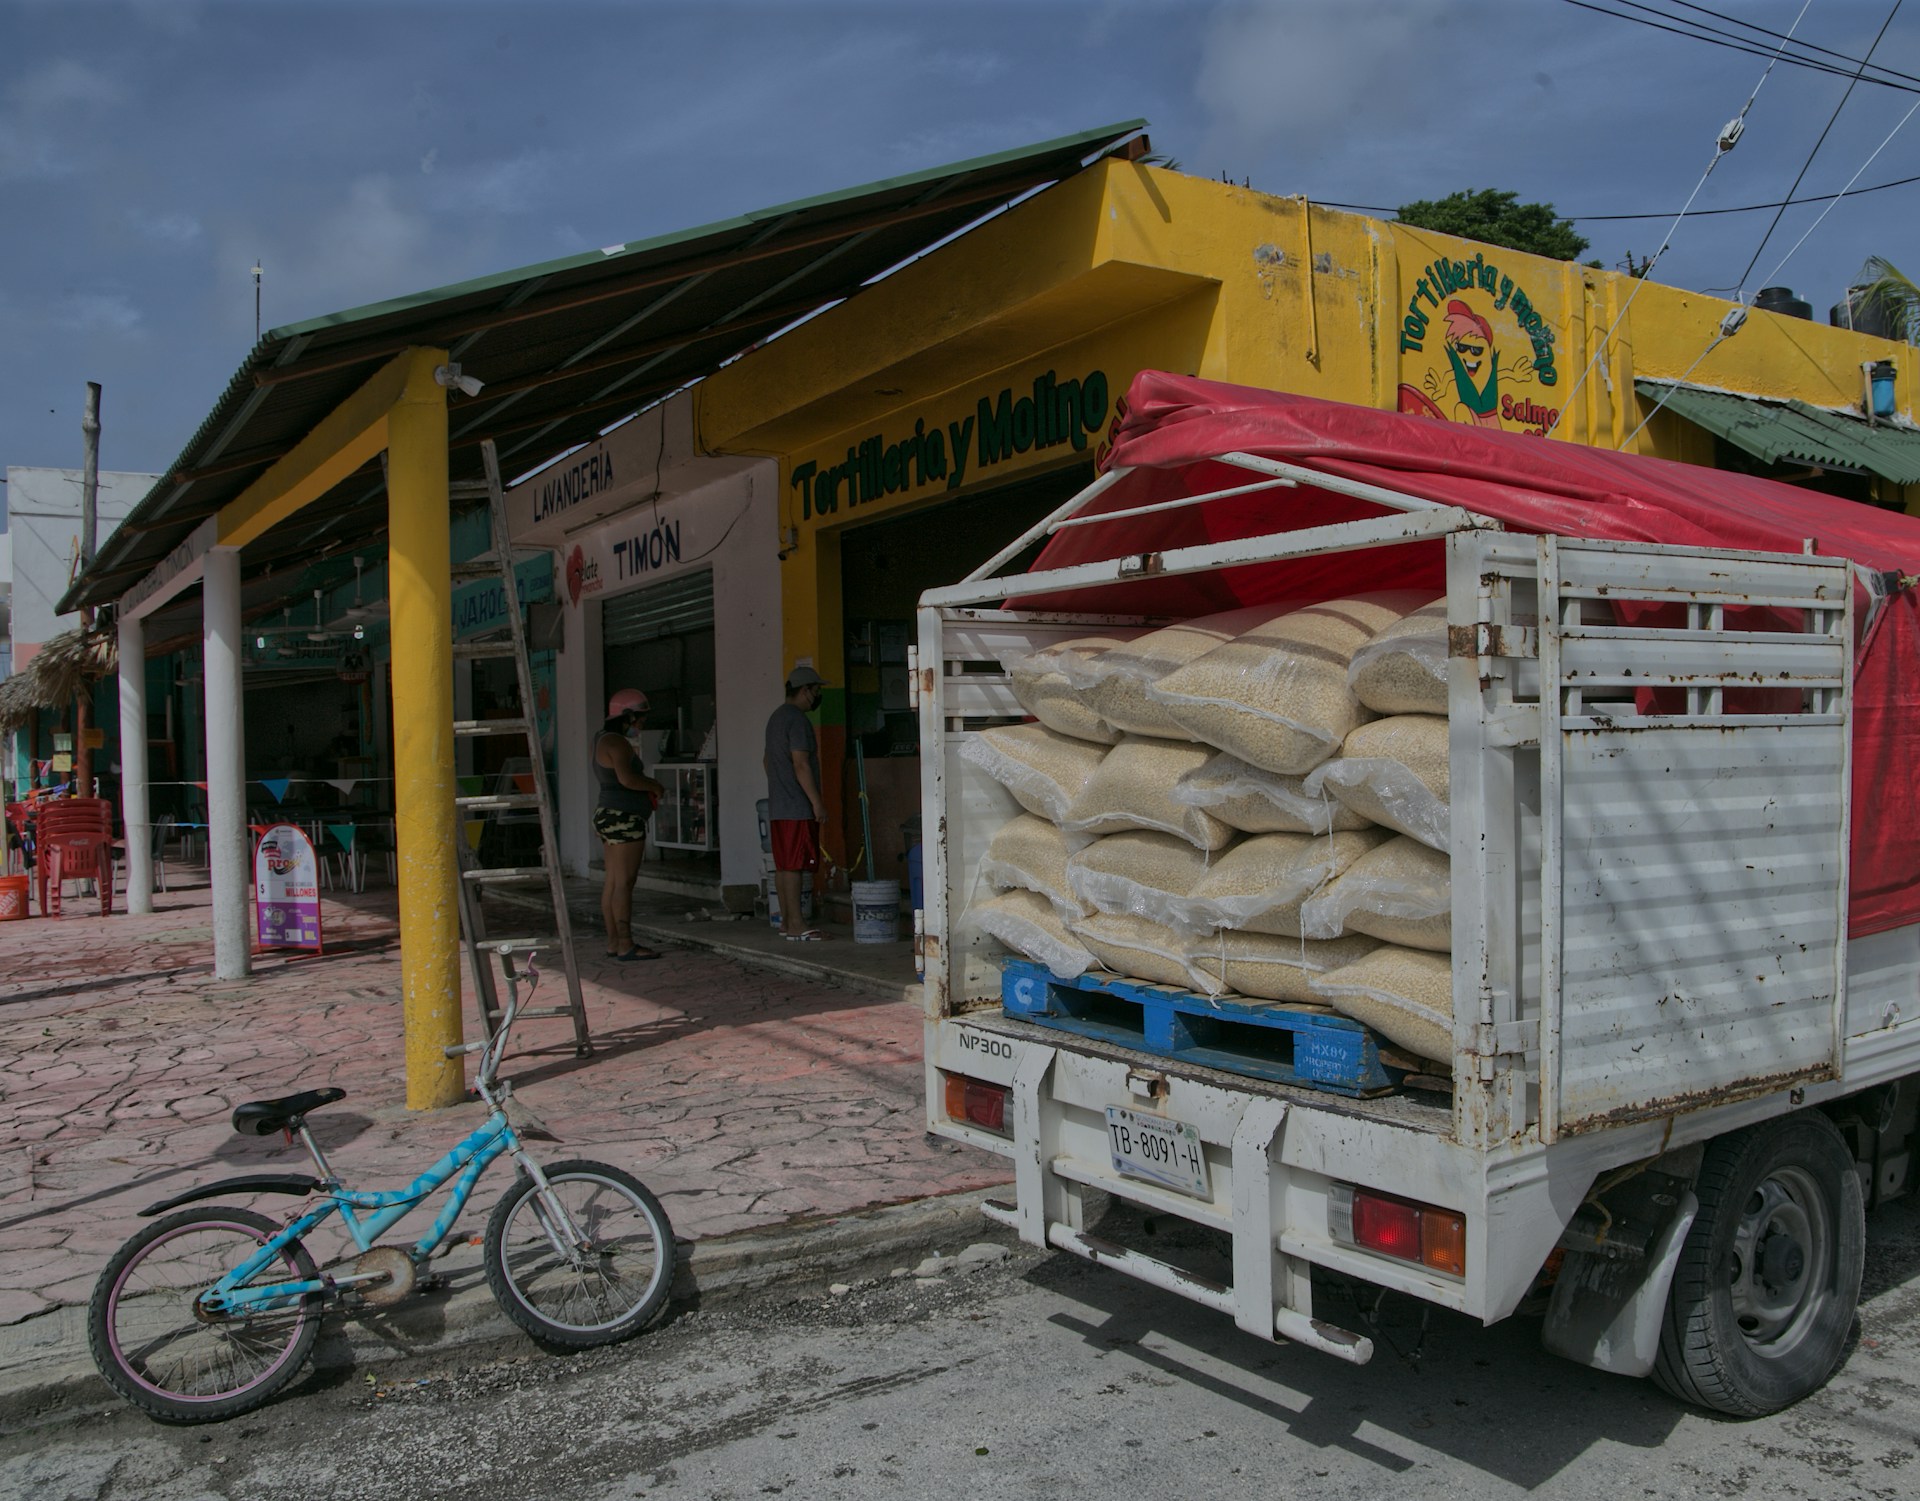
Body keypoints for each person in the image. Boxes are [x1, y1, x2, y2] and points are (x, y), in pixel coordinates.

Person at [595, 688, 665, 961]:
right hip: (623, 817)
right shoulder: (617, 743)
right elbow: (627, 779)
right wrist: (655, 786)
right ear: (628, 716)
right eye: (640, 717)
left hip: (609, 815)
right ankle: (625, 943)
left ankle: (614, 942)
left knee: (613, 881)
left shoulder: (602, 739)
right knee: (624, 882)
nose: (642, 724)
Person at [764, 666, 828, 941]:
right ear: (805, 691)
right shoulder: (798, 721)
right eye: (817, 690)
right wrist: (816, 802)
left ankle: (786, 923)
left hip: (779, 804)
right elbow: (801, 764)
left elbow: (766, 761)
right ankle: (797, 925)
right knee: (795, 866)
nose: (818, 695)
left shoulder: (776, 717)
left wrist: (781, 785)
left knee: (783, 865)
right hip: (796, 806)